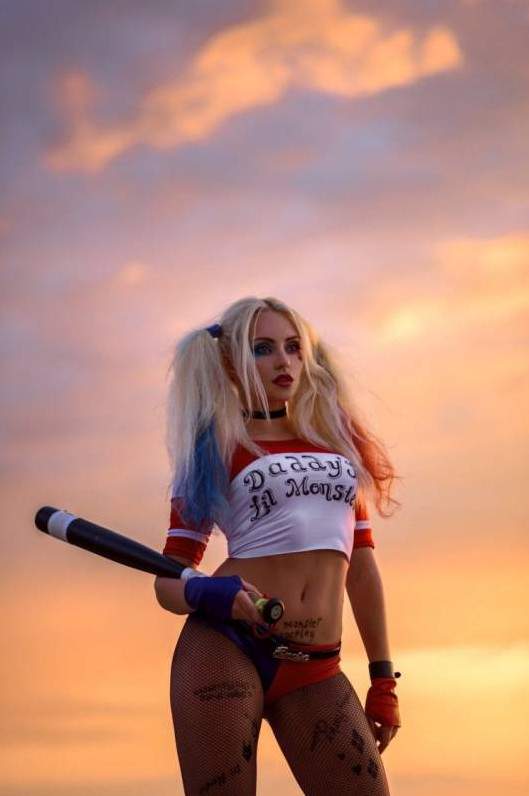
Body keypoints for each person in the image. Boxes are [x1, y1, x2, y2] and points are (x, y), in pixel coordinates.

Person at [154, 296, 402, 795]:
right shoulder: (216, 448)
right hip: (226, 646)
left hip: (316, 663)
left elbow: (361, 569)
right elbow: (168, 581)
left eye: (292, 347)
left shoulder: (337, 446)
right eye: (262, 349)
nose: (283, 361)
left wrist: (383, 677)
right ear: (231, 364)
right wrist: (205, 592)